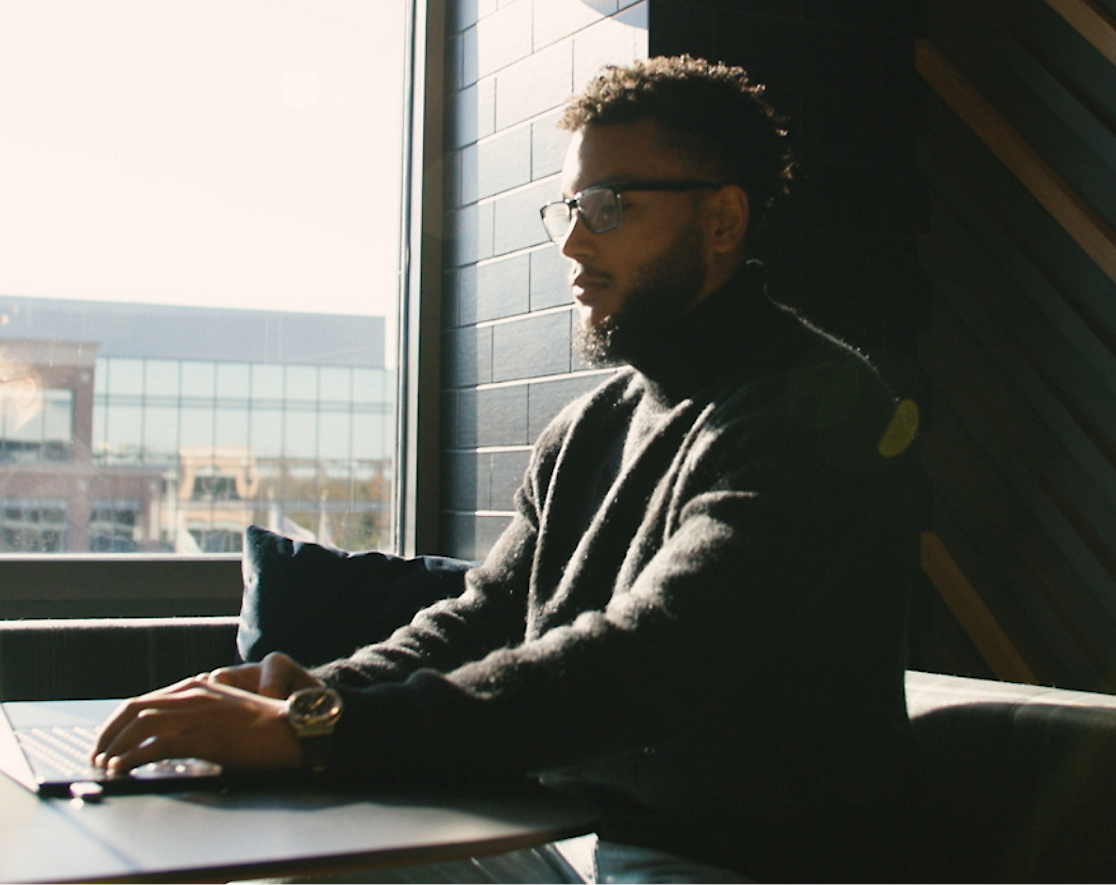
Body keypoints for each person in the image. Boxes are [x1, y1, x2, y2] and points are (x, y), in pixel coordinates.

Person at [93, 55, 919, 884]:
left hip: (744, 865)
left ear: (723, 220)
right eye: (567, 207)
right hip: (581, 836)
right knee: (302, 867)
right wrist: (296, 697)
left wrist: (318, 728)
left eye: (608, 205)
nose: (569, 239)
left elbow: (650, 661)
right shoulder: (589, 429)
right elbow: (482, 619)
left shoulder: (814, 409)